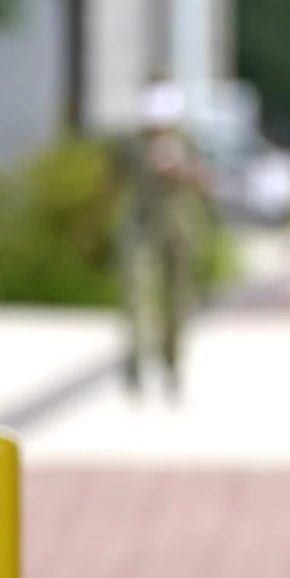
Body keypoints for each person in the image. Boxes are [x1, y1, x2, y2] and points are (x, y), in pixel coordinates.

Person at [120, 78, 209, 401]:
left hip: (177, 228)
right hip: (142, 227)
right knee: (138, 299)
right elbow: (115, 179)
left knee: (176, 300)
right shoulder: (132, 143)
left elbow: (204, 179)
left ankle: (171, 366)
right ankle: (135, 364)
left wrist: (182, 171)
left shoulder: (186, 141)